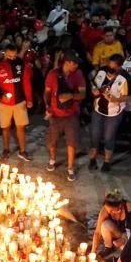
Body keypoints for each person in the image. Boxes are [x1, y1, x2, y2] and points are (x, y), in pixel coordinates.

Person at [44, 53, 86, 181]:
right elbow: (47, 92)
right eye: (75, 63)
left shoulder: (78, 74)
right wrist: (47, 107)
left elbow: (83, 94)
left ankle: (70, 168)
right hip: (55, 115)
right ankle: (52, 160)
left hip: (71, 114)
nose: (77, 66)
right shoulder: (53, 74)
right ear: (67, 63)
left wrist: (71, 96)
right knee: (52, 140)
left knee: (71, 142)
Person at [87, 54, 129, 173]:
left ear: (119, 67)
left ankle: (107, 162)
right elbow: (94, 86)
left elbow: (127, 97)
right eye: (108, 67)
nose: (109, 70)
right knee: (95, 136)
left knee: (108, 138)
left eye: (112, 68)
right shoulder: (101, 73)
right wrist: (94, 91)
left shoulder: (124, 79)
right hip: (98, 110)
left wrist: (114, 99)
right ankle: (92, 159)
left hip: (113, 113)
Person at [0, 41, 33, 160]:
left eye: (14, 55)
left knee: (20, 127)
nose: (12, 58)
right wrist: (1, 95)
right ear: (5, 53)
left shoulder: (21, 63)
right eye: (10, 55)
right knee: (6, 127)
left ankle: (22, 150)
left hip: (19, 101)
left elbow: (26, 82)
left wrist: (29, 99)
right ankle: (6, 149)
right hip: (4, 103)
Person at [91, 189, 131, 256]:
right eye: (107, 209)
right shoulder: (105, 210)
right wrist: (93, 252)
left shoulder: (129, 208)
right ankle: (109, 246)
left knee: (128, 251)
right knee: (104, 225)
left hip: (129, 233)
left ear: (119, 207)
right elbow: (97, 233)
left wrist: (124, 239)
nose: (109, 212)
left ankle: (122, 244)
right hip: (117, 232)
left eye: (112, 210)